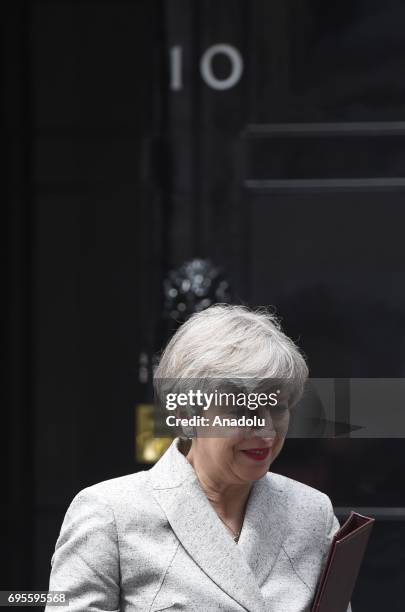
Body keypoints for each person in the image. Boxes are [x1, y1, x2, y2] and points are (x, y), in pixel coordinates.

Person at [46, 304, 351, 611]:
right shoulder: (109, 513)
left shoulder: (313, 512)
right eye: (242, 411)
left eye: (278, 407)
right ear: (186, 415)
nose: (267, 430)